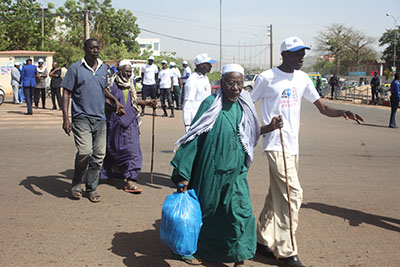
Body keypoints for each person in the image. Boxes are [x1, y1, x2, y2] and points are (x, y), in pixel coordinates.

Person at [251, 36, 364, 267]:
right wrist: (264, 128)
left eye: (303, 53)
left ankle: (262, 241)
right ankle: (287, 251)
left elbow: (321, 107)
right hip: (275, 143)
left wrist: (342, 112)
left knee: (276, 195)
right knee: (293, 195)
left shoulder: (302, 78)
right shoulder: (267, 78)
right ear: (283, 55)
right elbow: (246, 104)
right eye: (296, 53)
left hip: (293, 146)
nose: (301, 57)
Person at [171, 63, 282, 266]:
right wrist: (184, 174)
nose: (236, 88)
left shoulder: (244, 106)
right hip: (210, 171)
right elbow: (193, 138)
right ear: (222, 83)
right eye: (231, 83)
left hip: (235, 173)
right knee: (207, 214)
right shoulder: (210, 104)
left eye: (240, 84)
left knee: (242, 213)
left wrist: (271, 127)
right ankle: (192, 249)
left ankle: (239, 256)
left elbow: (251, 133)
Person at [61, 38, 126, 203]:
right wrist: (66, 118)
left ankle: (91, 188)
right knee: (85, 152)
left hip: (100, 118)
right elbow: (66, 93)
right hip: (81, 117)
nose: (95, 51)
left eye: (97, 48)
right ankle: (76, 183)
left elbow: (102, 88)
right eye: (91, 48)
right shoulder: (75, 68)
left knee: (98, 155)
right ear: (85, 49)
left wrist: (115, 101)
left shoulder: (104, 68)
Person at [100, 60, 157, 193]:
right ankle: (110, 173)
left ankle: (130, 180)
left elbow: (133, 101)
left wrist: (147, 103)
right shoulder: (111, 83)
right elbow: (106, 101)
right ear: (120, 71)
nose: (129, 74)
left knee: (133, 150)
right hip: (115, 121)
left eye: (130, 71)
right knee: (113, 148)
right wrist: (115, 108)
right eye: (126, 71)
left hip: (130, 120)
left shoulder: (132, 83)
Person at [182, 53, 215, 132]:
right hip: (195, 119)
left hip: (205, 118)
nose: (211, 66)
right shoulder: (192, 80)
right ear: (201, 65)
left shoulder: (205, 78)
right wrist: (187, 124)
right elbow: (188, 103)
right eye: (208, 64)